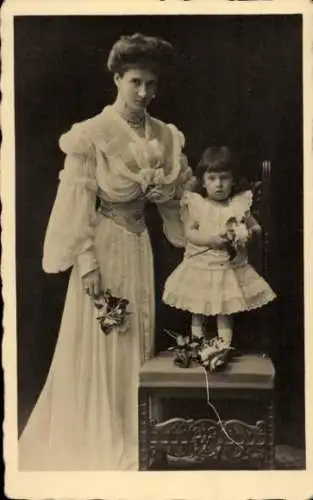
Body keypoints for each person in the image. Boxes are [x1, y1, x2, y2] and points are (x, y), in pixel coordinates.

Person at [19, 33, 192, 471]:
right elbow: (77, 201)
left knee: (138, 332)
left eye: (152, 84)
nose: (144, 93)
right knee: (106, 333)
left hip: (139, 246)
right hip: (103, 243)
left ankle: (134, 429)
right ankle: (98, 433)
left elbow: (179, 197)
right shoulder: (92, 134)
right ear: (116, 78)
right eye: (136, 82)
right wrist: (87, 263)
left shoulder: (163, 134)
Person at [163, 145, 276, 350]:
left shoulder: (238, 205)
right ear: (203, 182)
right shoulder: (196, 204)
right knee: (197, 307)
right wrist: (209, 240)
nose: (219, 184)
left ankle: (221, 349)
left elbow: (255, 227)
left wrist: (246, 234)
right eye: (213, 178)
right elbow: (189, 232)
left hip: (228, 268)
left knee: (224, 309)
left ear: (233, 181)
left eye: (224, 178)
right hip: (201, 265)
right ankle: (198, 347)